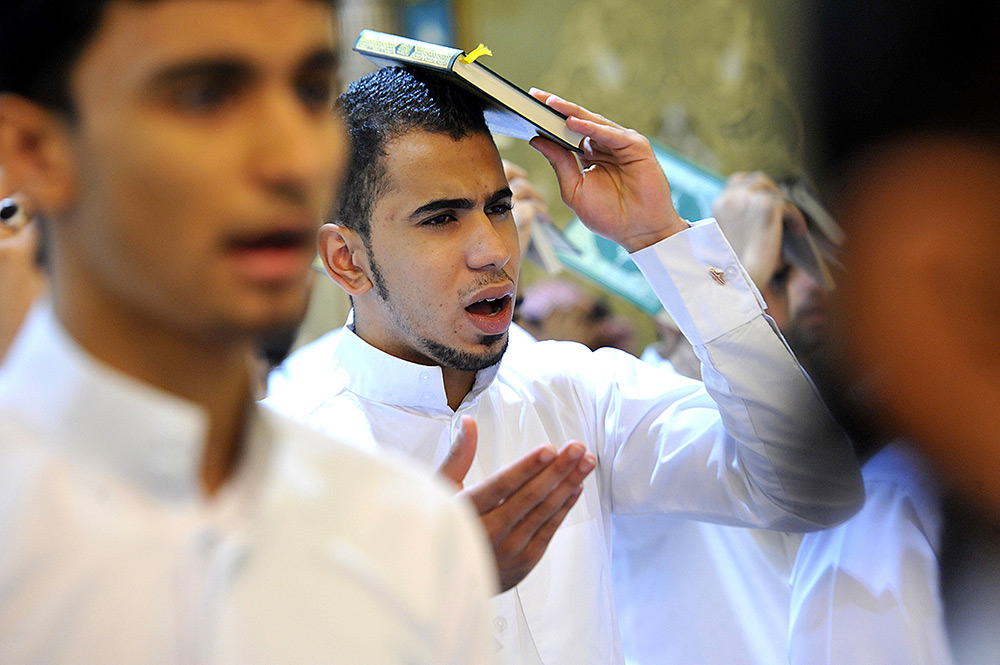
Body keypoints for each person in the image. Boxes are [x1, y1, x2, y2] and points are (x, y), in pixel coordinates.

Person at [266, 64, 863, 665]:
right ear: (346, 259)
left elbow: (816, 490)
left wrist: (659, 235)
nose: (494, 250)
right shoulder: (276, 459)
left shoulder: (575, 389)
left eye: (498, 208)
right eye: (441, 218)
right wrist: (420, 591)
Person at [0, 2, 497, 663]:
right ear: (34, 151)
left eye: (311, 92)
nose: (295, 160)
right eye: (206, 97)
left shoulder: (407, 535)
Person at [613, 172, 956, 665]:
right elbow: (711, 389)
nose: (812, 285)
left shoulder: (893, 433)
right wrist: (723, 275)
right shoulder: (636, 413)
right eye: (778, 275)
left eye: (819, 261)